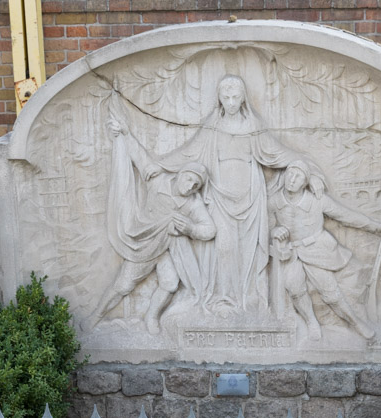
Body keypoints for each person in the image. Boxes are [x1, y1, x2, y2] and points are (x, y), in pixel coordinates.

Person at [115, 75, 317, 315]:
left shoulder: (253, 127)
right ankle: (223, 299)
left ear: (243, 99)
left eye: (235, 97)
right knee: (224, 248)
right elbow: (188, 153)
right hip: (220, 198)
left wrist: (310, 172)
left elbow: (278, 154)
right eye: (226, 98)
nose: (231, 102)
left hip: (251, 199)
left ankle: (248, 302)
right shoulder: (212, 128)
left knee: (249, 253)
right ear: (220, 100)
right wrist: (159, 164)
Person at [96, 117, 216, 334]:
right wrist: (124, 132)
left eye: (195, 185)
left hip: (166, 248)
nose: (189, 186)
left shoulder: (193, 203)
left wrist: (190, 228)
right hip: (144, 243)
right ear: (181, 173)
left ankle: (151, 317)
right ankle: (96, 316)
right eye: (188, 179)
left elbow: (209, 230)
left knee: (170, 283)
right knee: (123, 285)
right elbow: (139, 157)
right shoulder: (158, 180)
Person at [268, 161, 381, 340]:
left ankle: (356, 323)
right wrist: (275, 231)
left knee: (331, 293)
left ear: (305, 182)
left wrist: (376, 227)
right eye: (290, 174)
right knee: (294, 288)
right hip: (291, 252)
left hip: (317, 250)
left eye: (298, 176)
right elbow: (267, 227)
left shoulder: (318, 201)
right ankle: (311, 321)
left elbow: (346, 216)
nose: (292, 179)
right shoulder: (274, 201)